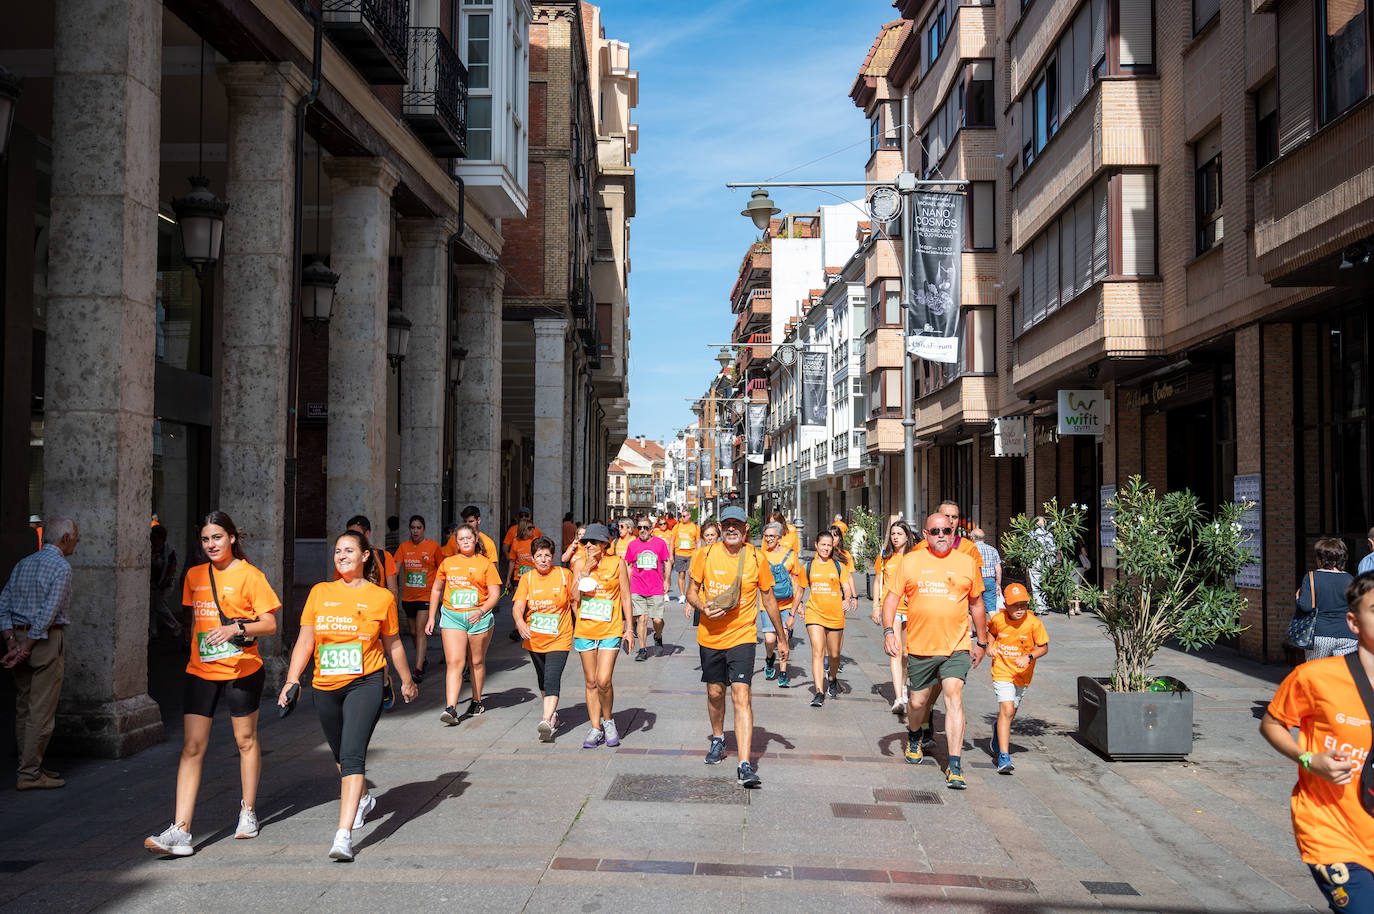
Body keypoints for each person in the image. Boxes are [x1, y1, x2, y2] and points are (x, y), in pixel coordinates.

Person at [144, 512, 279, 855]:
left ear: (232, 538)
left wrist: (237, 628)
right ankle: (181, 830)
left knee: (245, 741)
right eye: (205, 539)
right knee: (192, 747)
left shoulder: (250, 575)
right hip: (201, 669)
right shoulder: (194, 575)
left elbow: (269, 625)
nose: (211, 545)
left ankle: (248, 811)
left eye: (217, 537)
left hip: (241, 670)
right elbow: (196, 623)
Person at [280, 530, 417, 862]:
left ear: (365, 555)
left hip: (365, 683)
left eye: (348, 550)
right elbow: (305, 640)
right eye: (338, 551)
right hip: (325, 685)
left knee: (354, 756)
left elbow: (393, 643)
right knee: (341, 754)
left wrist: (406, 680)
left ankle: (343, 836)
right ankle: (364, 798)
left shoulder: (381, 597)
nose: (341, 556)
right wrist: (291, 679)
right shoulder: (320, 592)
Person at [1260, 572, 1374, 913]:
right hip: (1333, 832)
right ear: (1353, 622)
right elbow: (1272, 724)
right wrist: (1309, 759)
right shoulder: (1315, 677)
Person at [882, 513, 989, 790]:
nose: (941, 534)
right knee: (918, 703)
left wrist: (982, 641)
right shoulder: (910, 561)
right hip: (920, 647)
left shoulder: (967, 563)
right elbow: (891, 598)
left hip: (957, 646)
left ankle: (955, 765)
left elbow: (976, 604)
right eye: (935, 531)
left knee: (954, 696)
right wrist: (888, 631)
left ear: (953, 533)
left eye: (946, 530)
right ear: (926, 535)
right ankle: (915, 735)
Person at [686, 506, 787, 788]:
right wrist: (703, 607)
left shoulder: (756, 557)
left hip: (742, 636)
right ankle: (718, 738)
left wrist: (781, 637)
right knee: (716, 692)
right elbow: (690, 592)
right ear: (720, 527)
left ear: (746, 530)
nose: (731, 529)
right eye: (727, 524)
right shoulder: (704, 554)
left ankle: (745, 763)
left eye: (737, 525)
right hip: (710, 636)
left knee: (741, 695)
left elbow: (768, 600)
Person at [0, 516, 79, 791]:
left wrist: (12, 641)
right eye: (76, 536)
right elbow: (49, 611)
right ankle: (30, 772)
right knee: (41, 710)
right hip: (43, 641)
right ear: (65, 538)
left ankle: (29, 764)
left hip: (20, 636)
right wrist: (28, 646)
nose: (77, 541)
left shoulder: (23, 563)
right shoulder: (61, 567)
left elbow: (4, 602)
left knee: (24, 705)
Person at [427, 525, 502, 723]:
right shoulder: (447, 563)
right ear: (456, 542)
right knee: (454, 662)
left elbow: (495, 594)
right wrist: (431, 617)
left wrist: (481, 611)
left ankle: (477, 700)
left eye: (469, 538)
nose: (466, 541)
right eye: (461, 539)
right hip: (453, 616)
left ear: (476, 539)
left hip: (479, 617)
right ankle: (450, 708)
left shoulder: (486, 564)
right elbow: (436, 590)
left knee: (476, 661)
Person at [571, 523, 634, 748]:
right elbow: (573, 597)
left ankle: (608, 721)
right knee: (590, 681)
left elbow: (626, 596)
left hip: (611, 628)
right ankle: (595, 727)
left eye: (593, 542)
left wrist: (629, 629)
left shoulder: (617, 563)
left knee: (603, 680)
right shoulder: (578, 563)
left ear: (604, 544)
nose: (588, 545)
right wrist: (585, 569)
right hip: (586, 629)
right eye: (585, 542)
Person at [513, 537, 574, 741]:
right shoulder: (527, 579)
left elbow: (575, 603)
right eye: (539, 555)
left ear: (553, 557)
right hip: (535, 639)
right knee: (542, 680)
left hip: (560, 637)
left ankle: (546, 719)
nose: (543, 559)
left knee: (552, 678)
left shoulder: (564, 575)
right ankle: (553, 714)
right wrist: (520, 622)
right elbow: (518, 606)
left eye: (547, 555)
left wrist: (582, 625)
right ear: (532, 558)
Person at [987, 583, 1048, 774]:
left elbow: (1044, 647)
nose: (1020, 609)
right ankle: (1004, 757)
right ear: (1006, 604)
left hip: (1023, 674)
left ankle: (998, 729)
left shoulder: (1034, 623)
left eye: (1023, 605)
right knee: (1006, 708)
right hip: (1002, 670)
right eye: (1015, 605)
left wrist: (1029, 657)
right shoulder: (998, 619)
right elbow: (991, 632)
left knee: (1011, 711)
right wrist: (990, 647)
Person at [799, 531, 855, 707]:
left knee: (835, 654)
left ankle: (832, 677)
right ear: (816, 545)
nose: (825, 548)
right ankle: (818, 691)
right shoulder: (807, 567)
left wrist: (848, 599)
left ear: (833, 547)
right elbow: (800, 589)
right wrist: (796, 609)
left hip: (835, 614)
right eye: (822, 544)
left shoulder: (839, 566)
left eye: (829, 545)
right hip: (814, 613)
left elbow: (846, 586)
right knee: (817, 650)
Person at [393, 515, 442, 682]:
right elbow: (395, 569)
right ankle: (423, 658)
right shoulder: (403, 547)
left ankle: (418, 668)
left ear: (424, 529)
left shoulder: (433, 546)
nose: (415, 531)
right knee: (413, 632)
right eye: (413, 527)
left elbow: (442, 569)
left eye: (418, 528)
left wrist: (441, 591)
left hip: (426, 596)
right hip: (408, 596)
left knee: (420, 631)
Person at [872, 521, 915, 715]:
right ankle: (898, 697)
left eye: (899, 533)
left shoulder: (914, 557)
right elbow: (878, 581)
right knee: (895, 651)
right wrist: (875, 606)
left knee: (906, 653)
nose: (895, 537)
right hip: (891, 608)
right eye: (892, 533)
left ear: (907, 536)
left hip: (912, 609)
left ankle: (903, 686)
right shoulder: (885, 556)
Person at [1297, 537, 1357, 660]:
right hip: (1348, 635)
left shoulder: (1311, 577)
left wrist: (1298, 598)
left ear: (1320, 559)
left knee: (1316, 675)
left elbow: (1306, 606)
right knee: (1342, 676)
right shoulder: (1351, 580)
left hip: (1320, 634)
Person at [760, 522, 801, 688]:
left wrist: (799, 606)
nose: (769, 539)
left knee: (782, 638)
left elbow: (797, 581)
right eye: (766, 536)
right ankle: (770, 659)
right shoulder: (761, 556)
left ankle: (783, 673)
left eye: (772, 536)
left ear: (779, 538)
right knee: (769, 640)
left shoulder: (791, 555)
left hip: (786, 605)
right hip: (768, 605)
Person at [624, 516, 670, 660]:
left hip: (655, 587)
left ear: (651, 529)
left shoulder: (660, 543)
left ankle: (658, 636)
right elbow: (629, 566)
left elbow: (667, 562)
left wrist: (667, 580)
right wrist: (627, 585)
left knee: (657, 620)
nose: (642, 530)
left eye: (645, 527)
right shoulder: (632, 545)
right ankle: (642, 650)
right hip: (638, 587)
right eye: (640, 528)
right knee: (642, 618)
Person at [339, 515, 399, 605]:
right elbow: (339, 589)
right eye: (349, 535)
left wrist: (389, 614)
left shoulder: (385, 556)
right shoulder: (344, 559)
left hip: (376, 609)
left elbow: (393, 590)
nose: (352, 539)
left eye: (356, 535)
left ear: (367, 534)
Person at [149, 524, 182, 640]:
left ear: (162, 538)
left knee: (159, 606)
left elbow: (172, 567)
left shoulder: (168, 551)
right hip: (153, 582)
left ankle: (175, 625)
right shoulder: (150, 549)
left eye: (155, 538)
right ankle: (153, 632)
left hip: (165, 583)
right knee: (151, 608)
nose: (153, 540)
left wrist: (165, 581)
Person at [684, 520, 722, 621]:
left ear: (718, 535)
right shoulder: (697, 554)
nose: (710, 538)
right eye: (707, 535)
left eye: (712, 535)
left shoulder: (724, 553)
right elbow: (692, 580)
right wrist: (689, 603)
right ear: (702, 537)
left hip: (719, 598)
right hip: (701, 600)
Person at [503, 507, 542, 586]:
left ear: (530, 516)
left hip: (534, 575)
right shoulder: (515, 539)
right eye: (521, 515)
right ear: (524, 531)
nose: (523, 517)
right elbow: (511, 559)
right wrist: (508, 579)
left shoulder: (536, 538)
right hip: (518, 576)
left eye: (526, 515)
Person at [970, 528, 1003, 621]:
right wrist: (998, 584)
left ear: (972, 538)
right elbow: (998, 568)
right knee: (991, 608)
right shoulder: (992, 550)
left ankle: (970, 632)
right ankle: (995, 629)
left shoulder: (971, 550)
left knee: (971, 608)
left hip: (976, 580)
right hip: (990, 580)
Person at [671, 508, 700, 604]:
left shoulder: (695, 527)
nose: (682, 518)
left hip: (691, 554)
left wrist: (699, 554)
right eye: (681, 516)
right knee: (681, 575)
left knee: (692, 576)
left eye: (684, 516)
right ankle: (682, 595)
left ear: (689, 516)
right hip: (679, 554)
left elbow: (698, 542)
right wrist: (671, 554)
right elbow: (672, 541)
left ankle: (690, 594)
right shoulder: (677, 526)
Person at [1028, 516, 1055, 615]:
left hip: (1035, 563)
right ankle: (1044, 606)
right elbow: (1053, 551)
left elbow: (1028, 551)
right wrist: (1052, 564)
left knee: (1035, 586)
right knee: (1044, 585)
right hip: (1046, 564)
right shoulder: (1049, 535)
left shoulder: (1031, 535)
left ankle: (1039, 608)